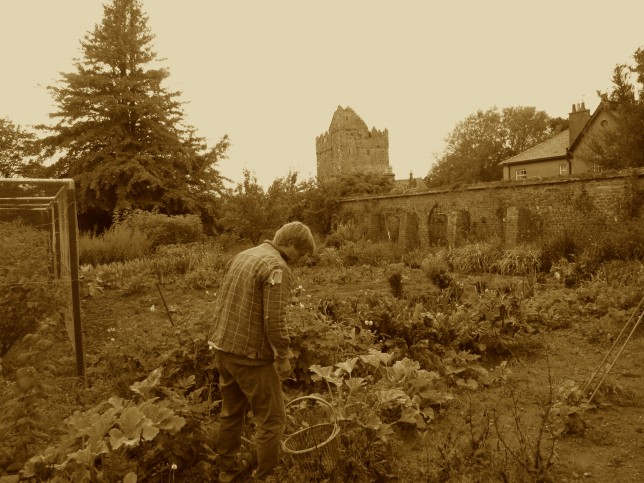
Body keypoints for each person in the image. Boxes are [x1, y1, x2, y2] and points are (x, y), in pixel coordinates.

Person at [209, 221, 316, 482]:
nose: (299, 260)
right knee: (272, 419)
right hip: (250, 356)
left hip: (223, 348)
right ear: (291, 245)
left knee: (232, 412)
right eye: (300, 254)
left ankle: (227, 470)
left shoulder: (244, 255)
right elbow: (274, 320)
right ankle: (266, 476)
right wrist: (282, 356)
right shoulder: (276, 267)